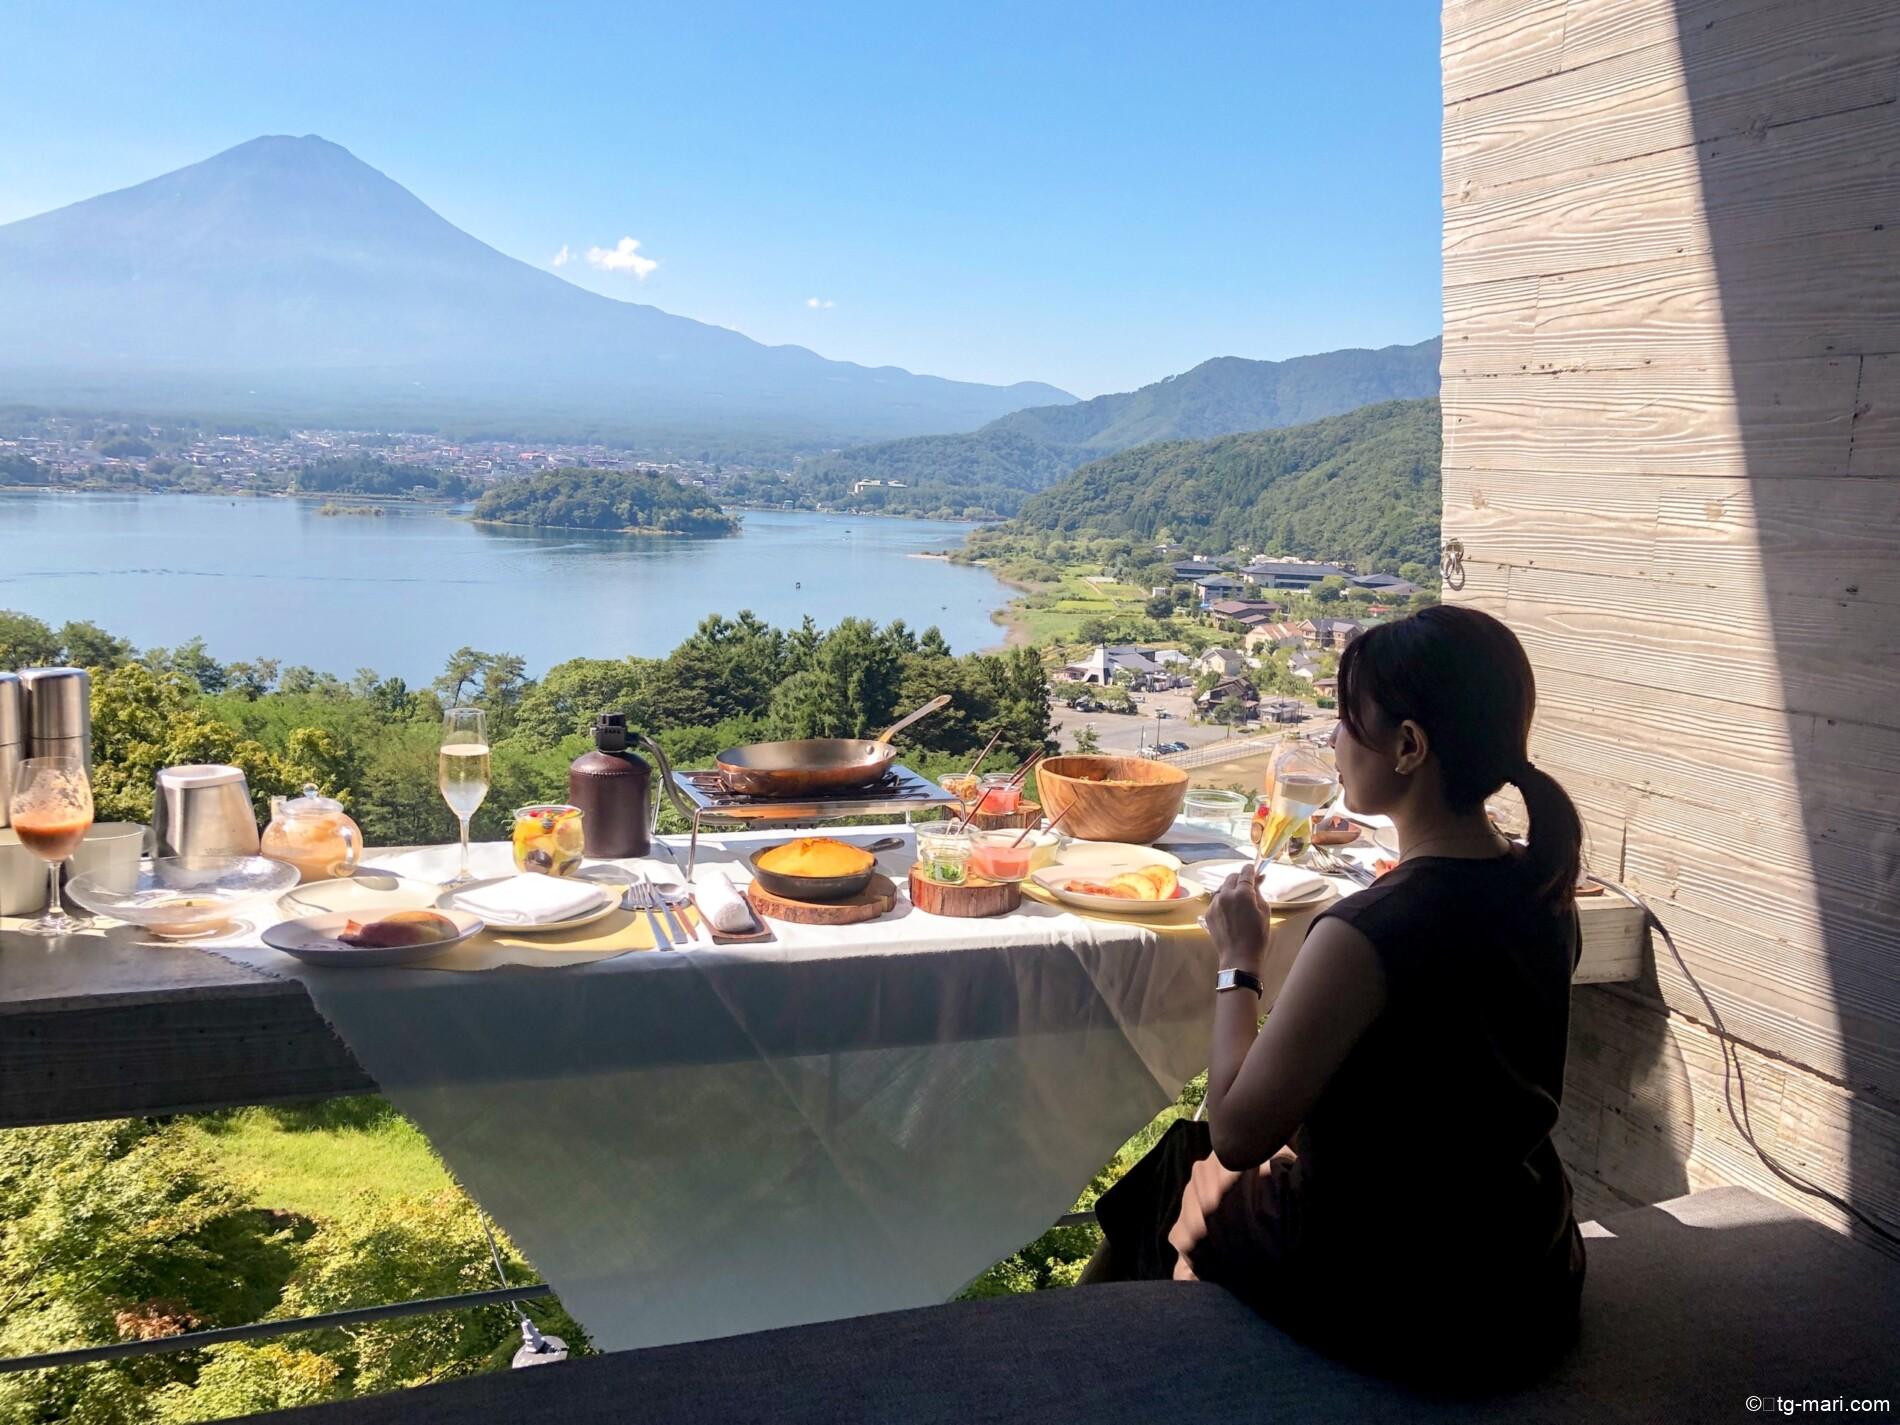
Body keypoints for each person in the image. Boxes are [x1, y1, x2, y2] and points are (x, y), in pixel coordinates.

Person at [1085, 605, 1588, 1386]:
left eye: (1348, 722)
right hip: (1525, 1263)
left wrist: (1240, 960)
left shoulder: (1368, 931)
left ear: (1410, 746)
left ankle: (1099, 1367)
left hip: (1402, 1293)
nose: (1333, 741)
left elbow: (1237, 1131)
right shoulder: (1546, 883)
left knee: (1182, 1166)